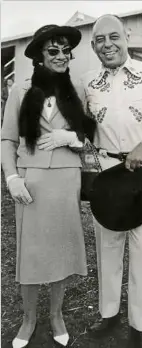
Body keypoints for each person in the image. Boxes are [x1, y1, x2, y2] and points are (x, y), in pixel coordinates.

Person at [79, 14, 142, 347]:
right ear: (93, 46)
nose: (107, 45)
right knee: (107, 245)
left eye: (113, 37)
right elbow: (85, 130)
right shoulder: (89, 82)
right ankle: (109, 315)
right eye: (99, 41)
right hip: (106, 173)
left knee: (141, 246)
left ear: (127, 36)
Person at [1, 25, 88, 348]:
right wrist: (12, 177)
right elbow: (7, 139)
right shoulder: (20, 91)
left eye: (66, 51)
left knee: (61, 249)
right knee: (32, 252)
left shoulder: (76, 88)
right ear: (39, 56)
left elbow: (91, 136)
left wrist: (73, 138)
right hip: (30, 181)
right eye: (54, 51)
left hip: (66, 179)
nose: (62, 56)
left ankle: (56, 315)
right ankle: (28, 319)